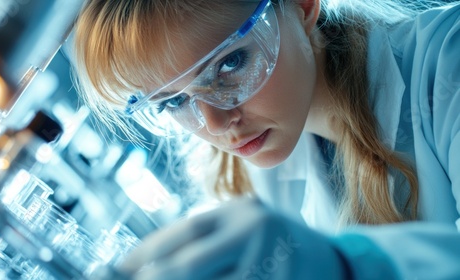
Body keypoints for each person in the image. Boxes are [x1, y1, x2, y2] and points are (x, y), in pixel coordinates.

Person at [72, 0, 460, 279]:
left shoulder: (448, 63)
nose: (216, 123)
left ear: (302, 7)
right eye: (174, 101)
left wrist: (344, 267)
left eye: (230, 63)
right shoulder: (269, 169)